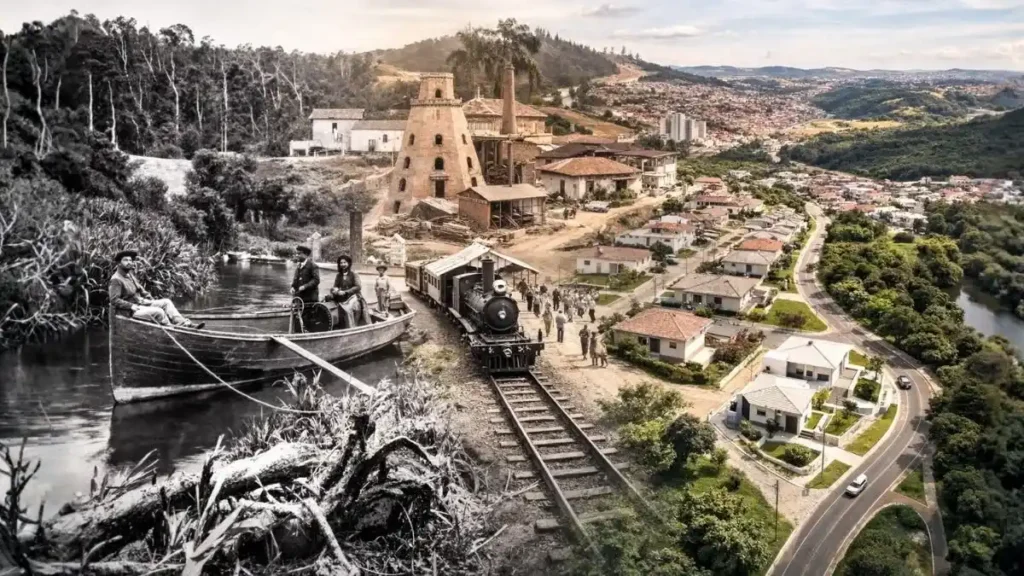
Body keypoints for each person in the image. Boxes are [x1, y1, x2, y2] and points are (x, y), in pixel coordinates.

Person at [108, 249, 204, 329]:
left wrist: (151, 300)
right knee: (159, 312)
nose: (129, 262)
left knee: (166, 302)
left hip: (141, 303)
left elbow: (141, 290)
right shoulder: (116, 279)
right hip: (130, 311)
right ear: (119, 263)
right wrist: (130, 306)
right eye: (125, 260)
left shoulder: (129, 274)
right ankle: (173, 330)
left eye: (130, 260)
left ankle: (183, 324)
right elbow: (114, 300)